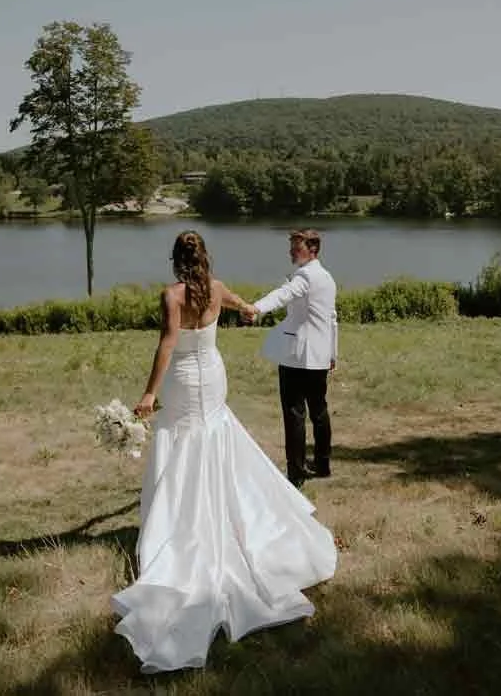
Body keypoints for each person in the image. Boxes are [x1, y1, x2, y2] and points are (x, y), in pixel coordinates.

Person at [112, 230, 336, 673]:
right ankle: (222, 511)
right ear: (204, 258)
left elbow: (168, 344)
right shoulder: (215, 289)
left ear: (176, 261)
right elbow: (239, 304)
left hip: (185, 380)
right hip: (212, 376)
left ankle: (182, 521)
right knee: (212, 436)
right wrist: (251, 308)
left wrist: (148, 394)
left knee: (183, 442)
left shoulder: (172, 296)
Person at [243, 229, 338, 487]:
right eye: (292, 247)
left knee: (294, 413)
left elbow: (282, 294)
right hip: (318, 354)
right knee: (319, 410)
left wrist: (256, 308)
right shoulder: (328, 278)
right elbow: (332, 319)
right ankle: (322, 464)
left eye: (297, 248)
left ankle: (296, 472)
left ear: (312, 250)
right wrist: (332, 353)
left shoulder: (305, 275)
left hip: (297, 355)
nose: (292, 252)